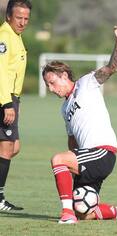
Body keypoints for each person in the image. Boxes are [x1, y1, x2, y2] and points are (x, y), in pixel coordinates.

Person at [42, 22, 117, 224]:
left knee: (58, 159)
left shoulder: (86, 83)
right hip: (86, 157)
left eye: (52, 82)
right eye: (47, 84)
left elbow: (112, 67)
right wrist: (73, 166)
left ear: (64, 76)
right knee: (84, 209)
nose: (50, 88)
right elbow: (72, 143)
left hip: (102, 152)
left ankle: (67, 215)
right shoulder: (64, 109)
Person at [0, 0, 31, 211]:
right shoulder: (4, 37)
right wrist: (7, 103)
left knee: (14, 146)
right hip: (5, 99)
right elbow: (0, 71)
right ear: (9, 16)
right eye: (19, 17)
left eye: (26, 19)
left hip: (12, 98)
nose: (22, 22)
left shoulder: (16, 37)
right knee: (7, 146)